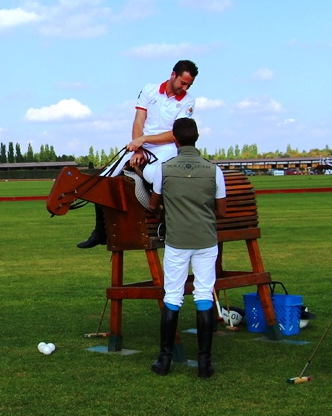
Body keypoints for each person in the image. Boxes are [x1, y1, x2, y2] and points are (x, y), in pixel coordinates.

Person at [78, 60, 198, 249]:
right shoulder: (149, 90)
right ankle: (100, 232)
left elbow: (177, 134)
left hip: (166, 147)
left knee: (155, 176)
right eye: (183, 83)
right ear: (173, 75)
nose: (185, 88)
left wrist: (143, 140)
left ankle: (161, 224)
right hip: (141, 143)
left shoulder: (188, 101)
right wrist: (139, 147)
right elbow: (138, 120)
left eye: (188, 85)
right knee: (102, 180)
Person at [147, 118, 226, 378]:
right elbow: (221, 211)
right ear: (197, 138)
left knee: (172, 296)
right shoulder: (214, 170)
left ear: (176, 141)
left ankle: (164, 361)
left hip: (177, 242)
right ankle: (204, 364)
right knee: (203, 296)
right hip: (205, 240)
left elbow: (153, 204)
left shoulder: (164, 168)